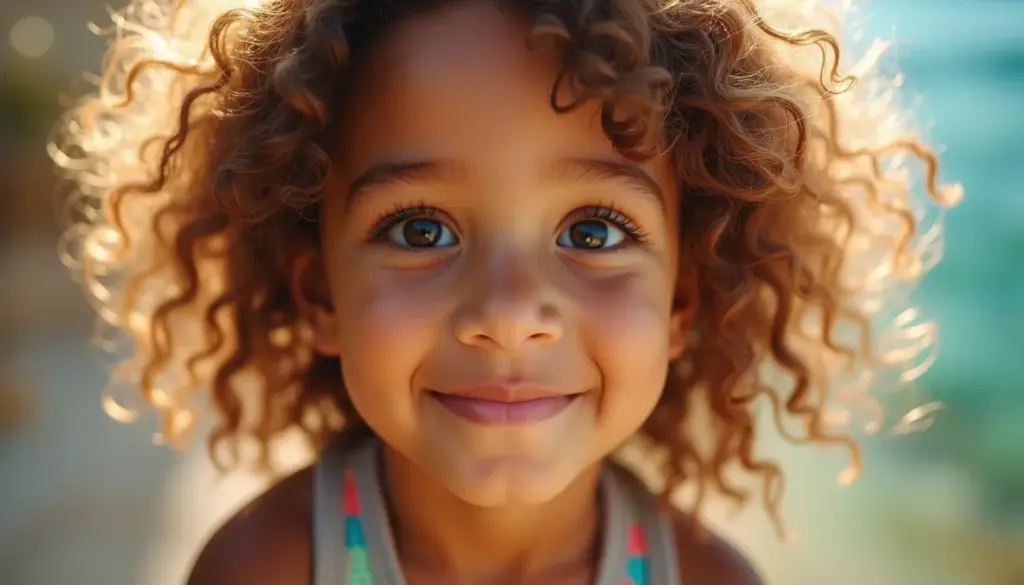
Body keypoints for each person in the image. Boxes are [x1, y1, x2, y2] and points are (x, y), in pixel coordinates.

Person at [51, 0, 961, 583]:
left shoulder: (706, 577)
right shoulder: (268, 566)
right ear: (320, 293)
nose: (508, 312)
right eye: (421, 230)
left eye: (593, 233)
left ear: (681, 303)